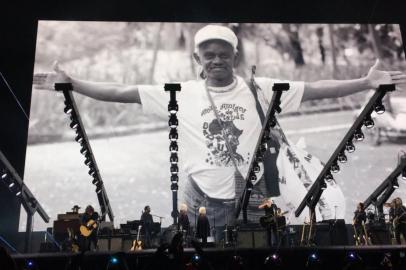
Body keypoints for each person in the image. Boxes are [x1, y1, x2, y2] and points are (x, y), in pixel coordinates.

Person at [33, 24, 406, 227]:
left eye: (223, 54)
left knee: (260, 252)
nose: (216, 61)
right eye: (208, 55)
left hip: (256, 195)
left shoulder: (260, 88)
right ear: (197, 57)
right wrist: (74, 84)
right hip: (202, 199)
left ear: (234, 56)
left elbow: (316, 89)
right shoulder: (182, 93)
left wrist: (364, 82)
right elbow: (121, 90)